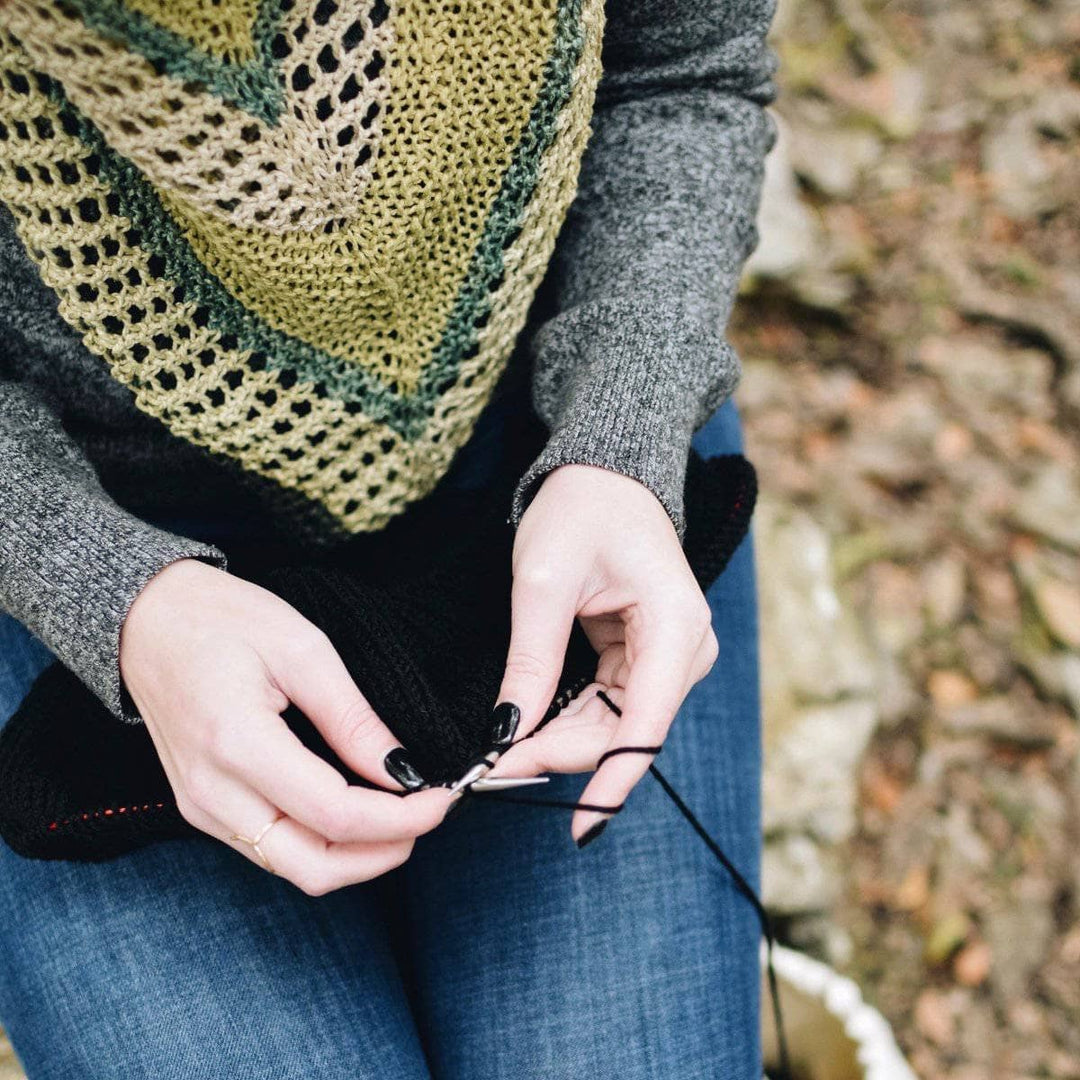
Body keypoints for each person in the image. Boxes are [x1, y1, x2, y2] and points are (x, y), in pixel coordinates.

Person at [0, 0, 778, 1076]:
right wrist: (103, 588)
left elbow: (688, 66)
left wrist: (624, 431)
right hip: (66, 539)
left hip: (556, 440)